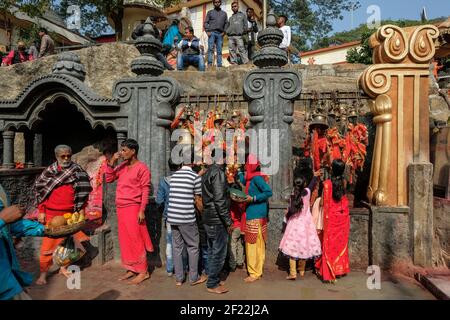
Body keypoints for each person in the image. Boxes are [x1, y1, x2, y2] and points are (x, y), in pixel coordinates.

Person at [34, 145, 94, 285]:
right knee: (47, 247)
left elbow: (83, 193)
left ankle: (63, 267)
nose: (66, 158)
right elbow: (41, 193)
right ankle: (43, 274)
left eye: (68, 155)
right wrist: (41, 211)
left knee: (68, 245)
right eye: (63, 156)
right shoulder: (49, 172)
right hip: (51, 215)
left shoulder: (78, 170)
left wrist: (81, 210)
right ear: (56, 156)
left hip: (69, 215)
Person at [105, 139, 154, 285]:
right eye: (122, 150)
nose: (121, 153)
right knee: (125, 240)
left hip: (133, 208)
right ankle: (132, 268)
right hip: (121, 208)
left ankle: (143, 271)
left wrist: (142, 210)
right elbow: (109, 178)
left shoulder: (142, 168)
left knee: (136, 239)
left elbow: (145, 190)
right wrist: (111, 163)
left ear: (133, 151)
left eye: (125, 150)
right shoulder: (121, 166)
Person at [166, 149, 207, 286]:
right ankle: (193, 278)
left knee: (177, 248)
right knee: (193, 247)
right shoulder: (194, 177)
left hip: (173, 217)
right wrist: (203, 213)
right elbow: (198, 200)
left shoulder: (174, 176)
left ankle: (179, 279)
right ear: (193, 162)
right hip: (186, 218)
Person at [0, 184, 45, 300]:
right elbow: (4, 219)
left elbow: (8, 225)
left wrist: (43, 228)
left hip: (7, 280)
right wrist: (2, 219)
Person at [279, 173, 322, 280]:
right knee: (304, 246)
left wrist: (287, 213)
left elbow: (291, 211)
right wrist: (315, 176)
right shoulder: (307, 192)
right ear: (304, 184)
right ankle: (301, 270)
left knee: (292, 248)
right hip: (306, 224)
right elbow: (311, 185)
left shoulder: (293, 195)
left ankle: (293, 273)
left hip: (294, 224)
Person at [202, 149, 233, 294]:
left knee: (212, 249)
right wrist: (228, 221)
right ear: (223, 158)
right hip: (216, 219)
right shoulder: (218, 173)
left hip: (209, 217)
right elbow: (220, 200)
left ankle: (211, 276)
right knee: (218, 252)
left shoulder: (208, 171)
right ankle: (212, 283)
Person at [315, 159, 350, 282]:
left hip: (331, 219)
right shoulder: (344, 182)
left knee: (329, 244)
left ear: (332, 169)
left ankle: (330, 269)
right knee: (340, 244)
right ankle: (340, 270)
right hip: (342, 217)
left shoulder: (327, 184)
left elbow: (323, 202)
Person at [242, 154, 273, 283]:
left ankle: (254, 272)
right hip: (259, 215)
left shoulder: (256, 179)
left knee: (252, 244)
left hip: (254, 215)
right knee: (259, 244)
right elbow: (244, 181)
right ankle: (257, 271)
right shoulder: (252, 178)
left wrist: (253, 198)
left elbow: (268, 192)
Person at [156, 158, 188, 277]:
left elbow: (159, 201)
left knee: (170, 243)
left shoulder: (164, 181)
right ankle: (184, 268)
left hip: (170, 216)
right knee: (183, 243)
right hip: (184, 216)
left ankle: (170, 269)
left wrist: (164, 211)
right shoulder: (185, 180)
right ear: (180, 165)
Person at [204, 0, 228, 67]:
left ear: (220, 3)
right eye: (215, 2)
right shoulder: (210, 12)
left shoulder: (224, 13)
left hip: (220, 34)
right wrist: (207, 31)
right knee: (210, 49)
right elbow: (206, 22)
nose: (217, 3)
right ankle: (209, 64)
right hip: (212, 33)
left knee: (219, 50)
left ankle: (219, 65)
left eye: (218, 2)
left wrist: (224, 32)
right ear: (213, 3)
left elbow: (226, 23)